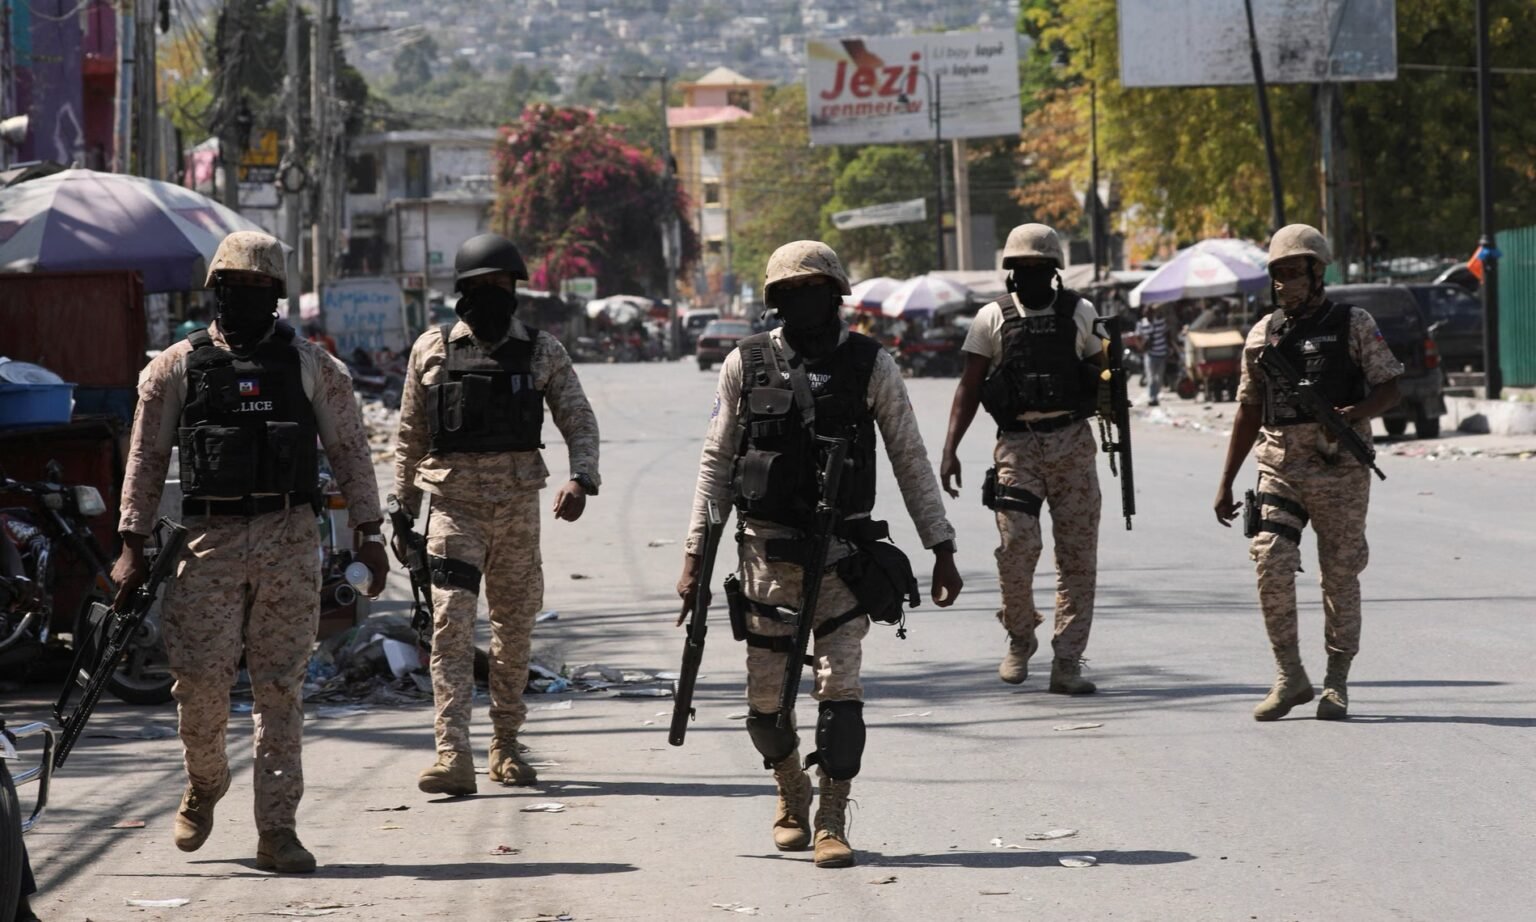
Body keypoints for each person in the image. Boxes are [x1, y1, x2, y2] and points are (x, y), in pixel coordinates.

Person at [676, 241, 962, 869]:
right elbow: (716, 461)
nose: (805, 303)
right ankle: (789, 790)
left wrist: (941, 545)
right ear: (776, 301)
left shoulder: (870, 364)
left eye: (816, 291)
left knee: (840, 694)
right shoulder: (744, 364)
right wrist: (696, 551)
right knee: (765, 705)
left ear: (836, 295)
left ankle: (832, 812)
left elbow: (910, 458)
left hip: (841, 557)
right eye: (792, 293)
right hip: (764, 557)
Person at [111, 230, 388, 873]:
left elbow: (350, 453)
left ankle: (277, 832)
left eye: (262, 289)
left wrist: (369, 537)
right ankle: (206, 782)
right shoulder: (175, 366)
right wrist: (130, 543)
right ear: (216, 290)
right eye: (237, 287)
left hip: (289, 539)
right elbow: (147, 459)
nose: (248, 298)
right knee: (200, 687)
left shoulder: (314, 366)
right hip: (205, 543)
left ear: (279, 297)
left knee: (280, 690)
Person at [394, 233, 600, 796]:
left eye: (501, 286)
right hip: (453, 510)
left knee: (514, 632)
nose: (492, 295)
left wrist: (582, 477)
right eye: (482, 287)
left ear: (515, 290)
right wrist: (401, 512)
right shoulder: (431, 349)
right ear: (462, 292)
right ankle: (451, 753)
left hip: (515, 511)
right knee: (450, 628)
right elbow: (410, 434)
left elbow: (578, 420)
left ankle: (505, 745)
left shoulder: (541, 351)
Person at [1213, 224, 1404, 721]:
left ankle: (1336, 681)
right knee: (1270, 559)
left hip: (1339, 467)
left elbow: (1391, 387)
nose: (1284, 283)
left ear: (1317, 273)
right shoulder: (1263, 334)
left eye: (1294, 272)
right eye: (1277, 274)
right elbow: (1248, 410)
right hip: (1280, 466)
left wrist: (1356, 412)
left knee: (1339, 575)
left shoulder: (1353, 323)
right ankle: (1289, 675)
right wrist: (1225, 481)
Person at [938, 223, 1104, 695]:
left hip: (1071, 442)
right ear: (1010, 274)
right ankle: (1019, 635)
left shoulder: (1081, 312)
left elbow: (1105, 373)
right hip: (1018, 445)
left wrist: (1105, 378)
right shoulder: (991, 318)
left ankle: (1067, 660)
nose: (1030, 275)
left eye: (1039, 267)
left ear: (1054, 271)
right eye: (1021, 268)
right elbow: (969, 386)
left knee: (1077, 558)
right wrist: (950, 451)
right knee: (1017, 550)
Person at [1137, 304, 1171, 405]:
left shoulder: (1160, 322)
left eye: (1149, 313)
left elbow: (1167, 334)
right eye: (1146, 313)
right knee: (1151, 378)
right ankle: (1153, 398)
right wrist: (1143, 345)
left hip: (1161, 353)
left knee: (1159, 379)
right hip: (1150, 355)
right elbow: (1138, 338)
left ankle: (1155, 395)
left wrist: (1169, 348)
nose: (1148, 315)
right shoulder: (1141, 324)